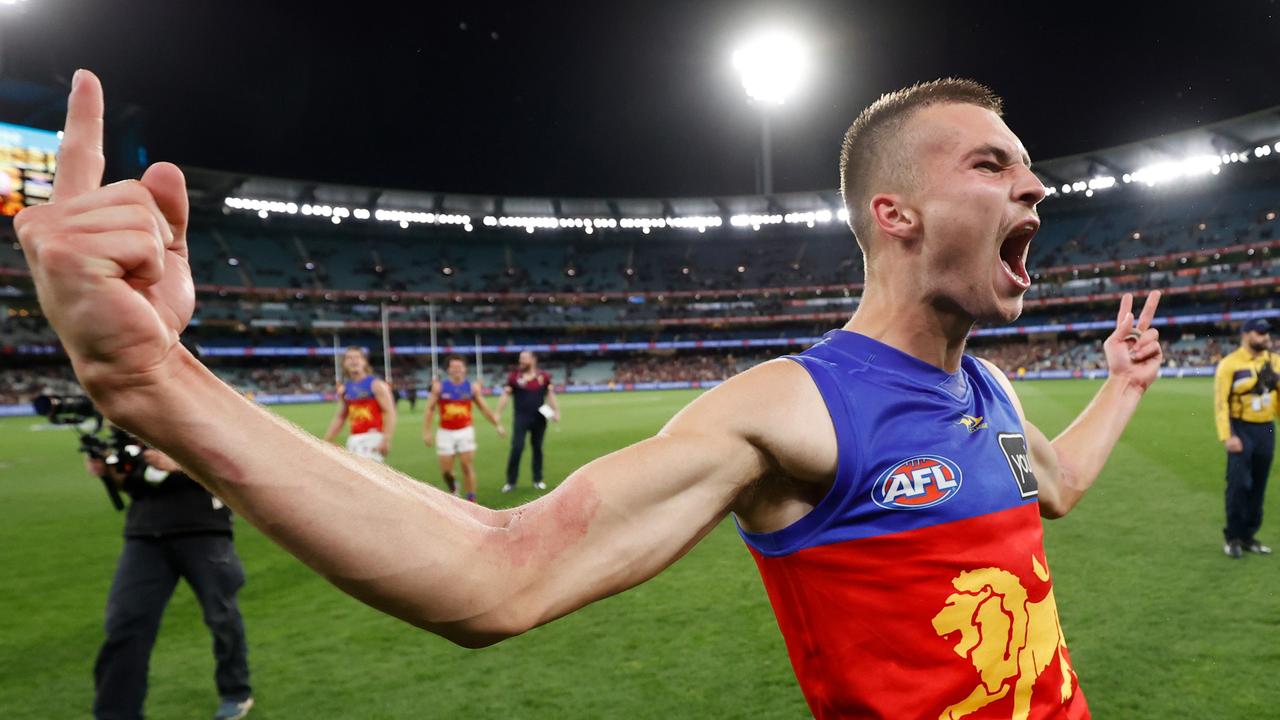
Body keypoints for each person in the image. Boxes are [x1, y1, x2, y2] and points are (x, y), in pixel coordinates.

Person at [20, 72, 1169, 718]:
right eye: (991, 164)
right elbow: (497, 574)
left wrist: (1117, 388)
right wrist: (153, 383)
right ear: (895, 215)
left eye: (1025, 164)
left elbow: (1053, 487)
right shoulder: (791, 410)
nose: (1032, 184)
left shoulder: (987, 389)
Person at [85, 438, 253, 720]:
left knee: (222, 616)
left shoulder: (195, 414)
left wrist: (182, 465)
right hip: (145, 534)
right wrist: (109, 472)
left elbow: (235, 463)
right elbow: (134, 485)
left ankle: (235, 691)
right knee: (125, 623)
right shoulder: (128, 427)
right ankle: (117, 712)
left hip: (204, 530)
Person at [1213, 318, 1278, 558]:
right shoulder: (1230, 364)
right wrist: (1227, 435)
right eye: (1261, 334)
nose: (1266, 338)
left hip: (1266, 429)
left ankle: (1249, 536)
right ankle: (1233, 537)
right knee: (1239, 484)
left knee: (1259, 486)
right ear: (1247, 335)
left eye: (1267, 334)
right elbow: (1221, 403)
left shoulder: (1275, 362)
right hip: (1240, 429)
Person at [423, 355, 505, 502]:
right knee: (446, 471)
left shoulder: (471, 387)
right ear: (448, 369)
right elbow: (430, 409)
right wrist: (427, 431)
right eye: (453, 367)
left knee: (467, 465)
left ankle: (471, 499)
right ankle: (454, 487)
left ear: (465, 369)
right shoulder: (440, 387)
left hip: (465, 431)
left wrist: (497, 425)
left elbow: (484, 408)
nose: (456, 370)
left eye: (459, 367)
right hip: (445, 432)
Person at [494, 351, 560, 492]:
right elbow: (505, 395)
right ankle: (511, 482)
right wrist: (498, 413)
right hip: (521, 418)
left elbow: (550, 394)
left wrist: (556, 411)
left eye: (524, 359)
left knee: (537, 449)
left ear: (533, 360)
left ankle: (537, 479)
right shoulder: (514, 377)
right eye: (520, 359)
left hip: (540, 419)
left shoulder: (543, 377)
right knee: (517, 448)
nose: (521, 361)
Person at [321, 347, 397, 462]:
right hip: (354, 438)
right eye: (349, 358)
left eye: (357, 357)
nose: (353, 360)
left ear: (364, 362)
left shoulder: (375, 384)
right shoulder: (346, 388)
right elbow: (341, 416)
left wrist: (386, 439)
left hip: (372, 437)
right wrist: (326, 440)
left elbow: (389, 412)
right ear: (344, 363)